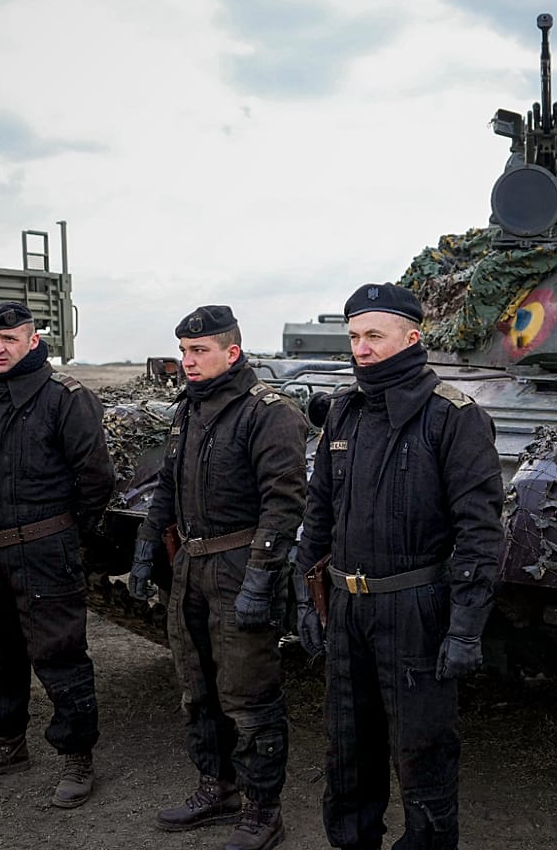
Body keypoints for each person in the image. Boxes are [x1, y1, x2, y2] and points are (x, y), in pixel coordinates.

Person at [295, 283, 503, 850]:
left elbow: (480, 533)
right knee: (348, 746)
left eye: (374, 336)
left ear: (412, 337)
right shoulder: (343, 411)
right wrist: (304, 593)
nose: (360, 348)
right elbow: (319, 510)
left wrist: (465, 628)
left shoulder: (451, 418)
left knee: (422, 749)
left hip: (415, 607)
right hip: (347, 606)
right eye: (355, 337)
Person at [132, 305, 308, 850]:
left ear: (232, 352)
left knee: (248, 693)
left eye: (199, 350)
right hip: (191, 564)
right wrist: (145, 546)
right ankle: (217, 786)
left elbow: (285, 501)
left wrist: (262, 577)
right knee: (197, 684)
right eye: (184, 351)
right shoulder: (190, 409)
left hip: (239, 564)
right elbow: (168, 483)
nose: (188, 360)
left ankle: (262, 810)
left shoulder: (267, 412)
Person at [0, 301, 115, 809]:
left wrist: (65, 536)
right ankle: (6, 742)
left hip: (44, 550)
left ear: (33, 342)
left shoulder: (64, 398)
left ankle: (76, 757)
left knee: (59, 654)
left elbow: (96, 479)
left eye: (9, 340)